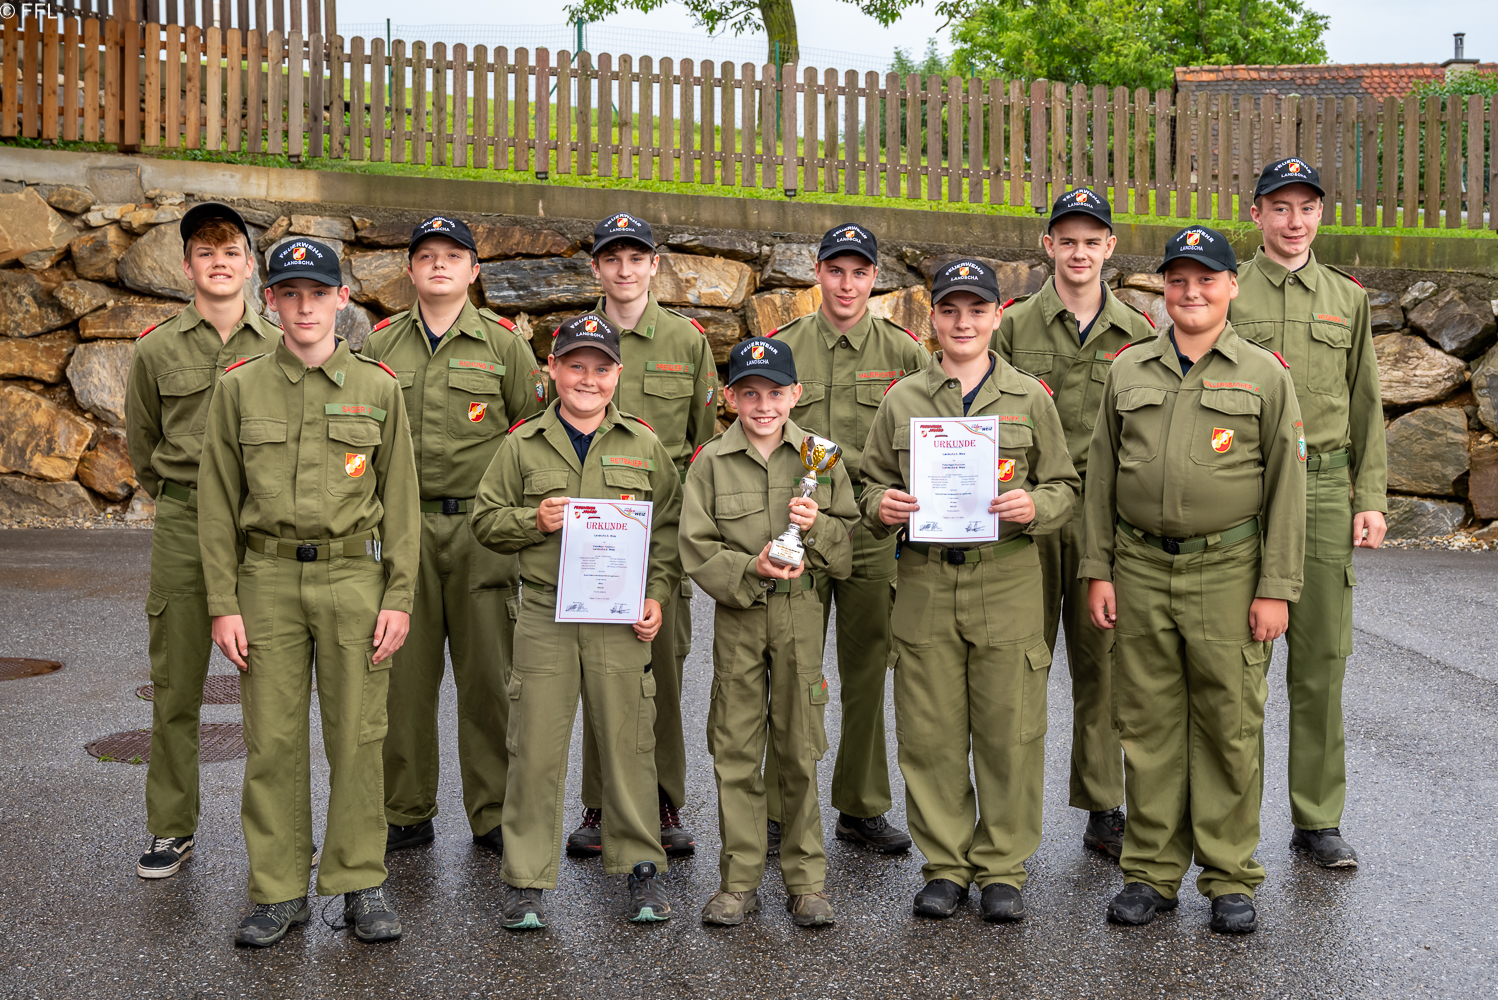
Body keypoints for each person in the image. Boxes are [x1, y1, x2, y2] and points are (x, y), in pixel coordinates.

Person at [1081, 226, 1306, 935]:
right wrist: (1098, 569)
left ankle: (1229, 876)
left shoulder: (1265, 374)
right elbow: (1101, 477)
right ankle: (1150, 874)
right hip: (1141, 567)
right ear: (1164, 290)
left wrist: (1276, 588)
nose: (1191, 292)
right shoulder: (1129, 369)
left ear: (1232, 285)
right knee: (1147, 726)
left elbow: (1288, 489)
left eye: (1206, 279)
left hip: (1229, 571)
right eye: (1178, 280)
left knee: (1229, 726)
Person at [198, 237, 419, 947]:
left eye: (317, 293)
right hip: (266, 581)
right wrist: (223, 603)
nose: (303, 307)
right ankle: (278, 889)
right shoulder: (239, 388)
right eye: (289, 293)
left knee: (359, 735)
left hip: (354, 578)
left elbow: (402, 502)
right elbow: (215, 503)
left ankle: (360, 881)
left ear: (341, 299)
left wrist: (399, 597)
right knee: (272, 740)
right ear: (270, 301)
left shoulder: (378, 389)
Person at [860, 259, 1079, 922]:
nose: (963, 323)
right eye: (950, 310)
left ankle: (1003, 868)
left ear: (997, 316)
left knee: (1009, 730)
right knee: (930, 733)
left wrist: (1035, 506)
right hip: (925, 578)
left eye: (976, 310)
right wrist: (882, 506)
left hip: (1006, 576)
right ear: (932, 316)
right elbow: (868, 483)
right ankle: (946, 866)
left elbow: (1064, 486)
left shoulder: (1029, 397)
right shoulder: (902, 399)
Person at [471, 313, 681, 930]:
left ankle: (641, 866)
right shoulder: (522, 444)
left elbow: (668, 529)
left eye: (600, 367)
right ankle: (526, 880)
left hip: (619, 614)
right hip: (546, 612)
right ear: (553, 369)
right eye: (575, 365)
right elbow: (485, 520)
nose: (588, 379)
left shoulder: (643, 445)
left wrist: (656, 594)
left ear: (618, 373)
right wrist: (531, 520)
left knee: (628, 743)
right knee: (534, 747)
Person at [361, 215, 545, 856]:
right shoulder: (380, 346)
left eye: (453, 255)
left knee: (489, 677)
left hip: (481, 532)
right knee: (403, 679)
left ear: (474, 270)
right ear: (410, 270)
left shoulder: (503, 345)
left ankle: (492, 810)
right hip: (404, 530)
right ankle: (405, 809)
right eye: (426, 255)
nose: (439, 265)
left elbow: (533, 432)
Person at [1230, 158, 1388, 868]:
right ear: (1257, 213)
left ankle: (1318, 819)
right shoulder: (1229, 289)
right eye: (1280, 207)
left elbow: (1365, 403)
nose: (1294, 222)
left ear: (1321, 213)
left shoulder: (1346, 298)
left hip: (1324, 487)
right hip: (1249, 488)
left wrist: (1371, 496)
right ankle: (1232, 827)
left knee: (1322, 657)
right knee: (1242, 661)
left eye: (1307, 208)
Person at [991, 188, 1156, 860]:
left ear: (1110, 247)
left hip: (1101, 518)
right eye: (1068, 240)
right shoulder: (1013, 326)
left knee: (1102, 666)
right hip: (1027, 513)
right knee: (1018, 664)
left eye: (1092, 241)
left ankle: (1103, 805)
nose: (1080, 252)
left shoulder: (1138, 332)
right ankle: (1011, 807)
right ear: (1048, 245)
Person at [124, 202, 284, 880]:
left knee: (272, 690)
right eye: (205, 252)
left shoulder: (279, 344)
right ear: (187, 267)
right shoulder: (156, 349)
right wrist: (188, 501)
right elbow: (143, 447)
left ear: (250, 267)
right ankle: (171, 827)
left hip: (260, 525)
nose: (219, 262)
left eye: (231, 251)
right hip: (186, 525)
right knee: (176, 683)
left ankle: (276, 835)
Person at [680, 337, 858, 928]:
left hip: (800, 612)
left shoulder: (820, 458)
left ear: (795, 394)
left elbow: (848, 549)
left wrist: (819, 524)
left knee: (800, 746)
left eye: (775, 393)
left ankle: (806, 882)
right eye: (750, 393)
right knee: (735, 746)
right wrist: (750, 567)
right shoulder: (710, 462)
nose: (764, 405)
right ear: (729, 397)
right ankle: (739, 881)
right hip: (739, 614)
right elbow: (695, 546)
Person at [765, 222, 929, 855]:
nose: (846, 284)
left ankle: (860, 806)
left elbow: (931, 436)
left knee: (866, 674)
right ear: (817, 271)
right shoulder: (781, 348)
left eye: (859, 272)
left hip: (870, 532)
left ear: (874, 278)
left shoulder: (904, 352)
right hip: (799, 532)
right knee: (793, 670)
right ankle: (781, 807)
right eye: (836, 270)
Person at [566, 212, 718, 859]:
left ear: (655, 265)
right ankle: (600, 804)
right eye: (612, 258)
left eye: (636, 258)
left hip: (660, 535)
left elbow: (704, 447)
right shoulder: (577, 339)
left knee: (662, 670)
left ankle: (662, 798)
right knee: (598, 670)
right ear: (596, 267)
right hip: (593, 535)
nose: (624, 270)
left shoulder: (687, 341)